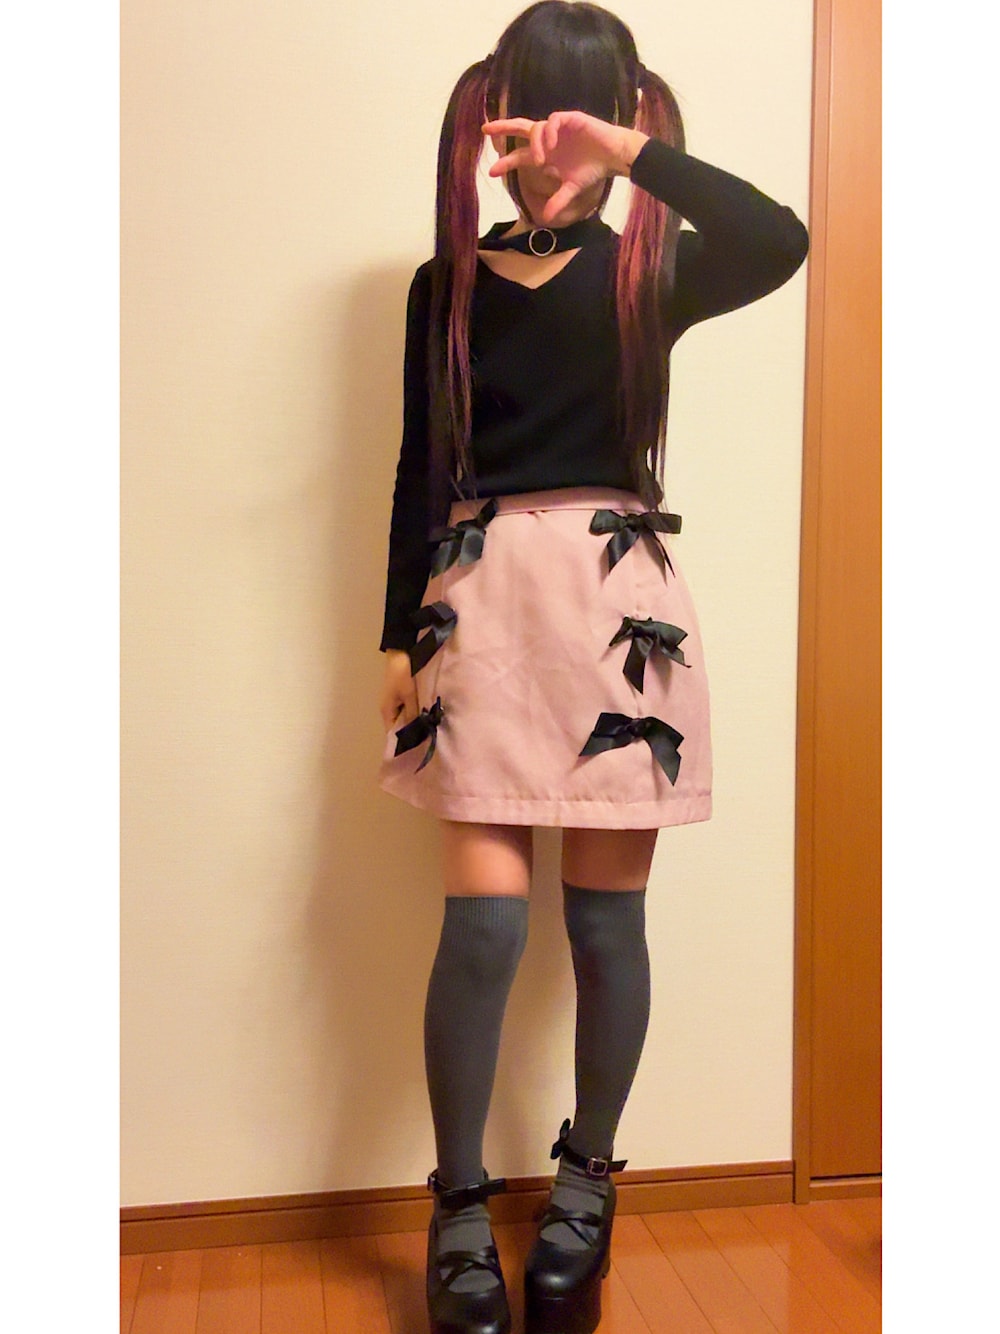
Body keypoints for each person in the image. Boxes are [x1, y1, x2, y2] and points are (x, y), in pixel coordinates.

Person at [377, 4, 808, 1331]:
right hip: (479, 607)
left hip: (619, 616)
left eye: (577, 115)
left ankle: (587, 1179)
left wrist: (627, 155)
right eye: (525, 112)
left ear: (616, 118)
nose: (544, 145)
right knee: (485, 927)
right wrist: (394, 634)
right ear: (487, 120)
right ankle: (459, 1199)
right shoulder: (445, 286)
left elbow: (779, 238)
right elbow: (420, 465)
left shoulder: (649, 272)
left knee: (607, 925)